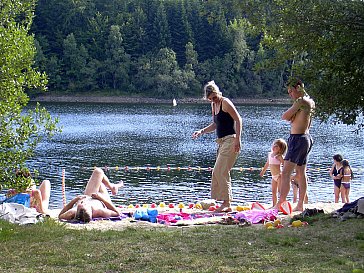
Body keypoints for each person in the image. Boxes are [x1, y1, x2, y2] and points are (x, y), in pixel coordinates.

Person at [192, 80, 242, 212]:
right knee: (220, 171)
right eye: (210, 99)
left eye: (214, 97)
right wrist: (201, 131)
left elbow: (238, 119)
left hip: (231, 140)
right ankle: (225, 202)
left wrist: (238, 139)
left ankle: (226, 203)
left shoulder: (225, 102)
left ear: (218, 92)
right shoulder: (214, 105)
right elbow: (215, 125)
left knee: (219, 170)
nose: (213, 100)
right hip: (221, 141)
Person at [275, 78, 315, 212]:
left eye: (291, 91)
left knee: (285, 173)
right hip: (306, 137)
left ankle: (280, 203)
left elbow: (285, 116)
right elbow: (304, 121)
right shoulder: (310, 101)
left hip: (298, 138)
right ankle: (300, 204)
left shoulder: (301, 101)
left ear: (298, 88)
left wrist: (292, 116)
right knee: (301, 172)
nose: (290, 94)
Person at [58, 167, 124, 222]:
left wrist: (74, 200)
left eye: (80, 204)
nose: (83, 203)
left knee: (98, 172)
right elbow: (117, 213)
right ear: (90, 210)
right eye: (84, 204)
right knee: (99, 179)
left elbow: (60, 216)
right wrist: (101, 198)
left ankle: (112, 187)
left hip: (89, 196)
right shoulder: (98, 211)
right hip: (102, 199)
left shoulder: (72, 212)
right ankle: (113, 187)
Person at [260, 138, 287, 207]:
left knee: (280, 191)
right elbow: (267, 163)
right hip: (273, 176)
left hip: (279, 176)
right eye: (274, 145)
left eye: (277, 146)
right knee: (273, 191)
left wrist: (284, 173)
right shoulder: (270, 154)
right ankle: (274, 205)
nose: (274, 146)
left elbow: (285, 164)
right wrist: (263, 171)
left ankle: (282, 204)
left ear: (281, 149)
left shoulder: (279, 156)